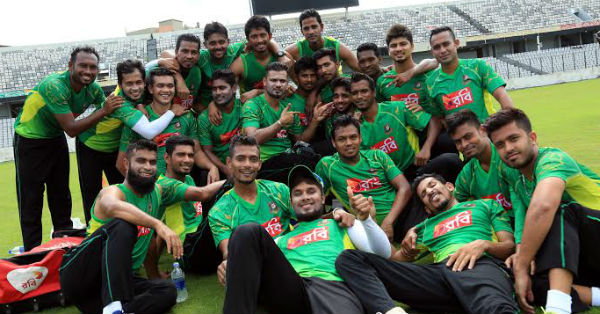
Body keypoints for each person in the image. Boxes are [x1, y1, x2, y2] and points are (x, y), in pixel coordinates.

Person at [59, 139, 224, 314]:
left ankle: (121, 310)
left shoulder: (158, 192)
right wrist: (158, 224)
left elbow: (203, 193)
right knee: (124, 225)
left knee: (167, 291)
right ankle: (114, 305)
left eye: (152, 162)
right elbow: (112, 206)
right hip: (80, 276)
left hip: (105, 291)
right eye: (141, 161)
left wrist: (235, 179)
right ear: (126, 163)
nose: (148, 166)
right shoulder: (112, 192)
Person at [335, 173, 519, 314]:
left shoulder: (484, 205)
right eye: (424, 194)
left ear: (449, 186)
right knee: (348, 259)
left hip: (477, 265)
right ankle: (392, 311)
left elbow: (508, 247)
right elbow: (392, 259)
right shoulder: (423, 228)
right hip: (438, 277)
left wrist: (483, 245)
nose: (430, 191)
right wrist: (368, 220)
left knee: (496, 308)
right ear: (426, 208)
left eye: (432, 185)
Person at [222, 164, 391, 314]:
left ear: (323, 198)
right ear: (291, 202)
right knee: (246, 231)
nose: (304, 197)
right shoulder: (281, 239)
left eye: (311, 191)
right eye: (297, 193)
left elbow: (383, 253)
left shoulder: (343, 222)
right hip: (291, 290)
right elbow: (251, 266)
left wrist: (367, 220)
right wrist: (231, 265)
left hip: (331, 285)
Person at [486, 108, 600, 314]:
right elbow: (521, 213)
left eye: (513, 139)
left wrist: (522, 264)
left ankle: (558, 309)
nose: (508, 148)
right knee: (524, 278)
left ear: (532, 138)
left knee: (560, 211)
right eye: (500, 145)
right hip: (582, 254)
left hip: (594, 232)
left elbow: (543, 207)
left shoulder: (553, 159)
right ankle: (596, 296)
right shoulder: (512, 173)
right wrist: (521, 258)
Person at [13, 46, 119, 250]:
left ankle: (64, 243)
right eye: (83, 66)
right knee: (31, 197)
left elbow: (109, 110)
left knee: (61, 194)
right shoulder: (54, 86)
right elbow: (71, 129)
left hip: (55, 137)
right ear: (71, 66)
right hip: (30, 139)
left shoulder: (93, 89)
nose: (88, 71)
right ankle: (32, 251)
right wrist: (104, 110)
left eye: (93, 67)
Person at [77, 59, 187, 224]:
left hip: (115, 146)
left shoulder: (142, 83)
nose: (135, 88)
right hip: (91, 146)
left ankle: (123, 230)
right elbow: (148, 132)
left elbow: (160, 61)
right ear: (120, 85)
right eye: (129, 84)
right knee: (93, 197)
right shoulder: (119, 103)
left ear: (145, 82)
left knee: (122, 195)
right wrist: (172, 112)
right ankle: (92, 237)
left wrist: (173, 72)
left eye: (138, 82)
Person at [315, 115, 413, 241]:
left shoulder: (377, 156)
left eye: (353, 137)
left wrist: (388, 222)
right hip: (365, 227)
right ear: (333, 143)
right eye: (342, 139)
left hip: (401, 216)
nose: (349, 143)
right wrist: (334, 213)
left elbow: (405, 187)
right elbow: (317, 200)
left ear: (360, 138)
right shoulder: (326, 166)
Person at [351, 72, 462, 182]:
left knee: (450, 158)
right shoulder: (353, 127)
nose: (359, 96)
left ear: (374, 92)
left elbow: (434, 121)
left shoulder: (397, 108)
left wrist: (426, 148)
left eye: (364, 91)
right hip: (387, 181)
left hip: (414, 170)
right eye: (355, 93)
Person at [117, 68, 219, 181]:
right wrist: (143, 189)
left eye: (170, 86)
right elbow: (122, 163)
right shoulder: (139, 119)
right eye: (160, 86)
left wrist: (212, 167)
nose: (166, 90)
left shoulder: (186, 116)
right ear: (151, 89)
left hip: (179, 187)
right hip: (151, 188)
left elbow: (196, 151)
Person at [144, 136, 222, 278]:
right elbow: (204, 194)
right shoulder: (166, 185)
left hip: (200, 243)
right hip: (189, 252)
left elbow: (163, 226)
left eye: (190, 155)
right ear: (167, 158)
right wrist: (235, 178)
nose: (187, 160)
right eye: (181, 155)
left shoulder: (187, 179)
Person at [376, 25, 457, 157]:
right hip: (401, 142)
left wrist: (423, 111)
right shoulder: (383, 82)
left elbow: (435, 61)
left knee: (447, 144)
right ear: (388, 50)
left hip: (430, 134)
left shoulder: (427, 74)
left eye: (403, 44)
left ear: (412, 46)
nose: (398, 49)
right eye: (394, 45)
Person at [241, 62, 319, 183]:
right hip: (263, 163)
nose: (278, 85)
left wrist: (315, 120)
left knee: (313, 156)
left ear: (287, 83)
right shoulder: (253, 105)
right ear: (265, 81)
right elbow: (252, 138)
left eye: (282, 81)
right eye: (274, 80)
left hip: (288, 158)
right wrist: (280, 123)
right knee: (299, 162)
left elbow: (300, 140)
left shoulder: (288, 107)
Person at [426, 26, 514, 122]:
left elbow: (502, 97)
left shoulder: (478, 66)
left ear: (456, 43)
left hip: (486, 132)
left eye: (446, 44)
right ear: (432, 52)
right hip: (457, 136)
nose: (442, 50)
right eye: (436, 47)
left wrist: (508, 125)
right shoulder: (430, 82)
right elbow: (439, 118)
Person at [446, 109, 513, 214]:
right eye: (458, 141)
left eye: (468, 137)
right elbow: (452, 206)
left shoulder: (509, 157)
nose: (464, 145)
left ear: (483, 130)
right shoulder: (467, 174)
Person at [230, 15, 291, 102]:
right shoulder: (240, 64)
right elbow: (228, 93)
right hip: (252, 111)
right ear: (248, 39)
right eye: (254, 36)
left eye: (263, 35)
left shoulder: (284, 59)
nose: (259, 40)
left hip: (280, 107)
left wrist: (258, 92)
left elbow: (293, 88)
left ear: (269, 36)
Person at [197, 69, 242, 178]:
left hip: (244, 162)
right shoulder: (204, 118)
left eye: (222, 88)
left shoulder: (244, 106)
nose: (217, 92)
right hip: (220, 165)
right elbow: (207, 151)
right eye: (214, 89)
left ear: (234, 88)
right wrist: (225, 169)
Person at [285, 8, 359, 71]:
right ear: (302, 31)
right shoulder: (296, 49)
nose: (311, 32)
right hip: (312, 87)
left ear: (321, 27)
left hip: (335, 86)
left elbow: (360, 68)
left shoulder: (336, 47)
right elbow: (277, 59)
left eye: (314, 27)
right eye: (306, 28)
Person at [149, 33, 203, 113]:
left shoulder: (196, 72)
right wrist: (178, 77)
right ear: (176, 52)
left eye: (194, 52)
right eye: (185, 51)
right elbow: (145, 69)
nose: (189, 56)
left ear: (198, 54)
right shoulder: (160, 71)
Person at [197, 22, 246, 107]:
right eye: (213, 43)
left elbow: (262, 40)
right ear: (205, 45)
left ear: (228, 42)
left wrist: (278, 53)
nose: (218, 47)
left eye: (221, 42)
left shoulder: (233, 51)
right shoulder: (201, 57)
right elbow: (170, 56)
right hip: (207, 108)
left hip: (229, 105)